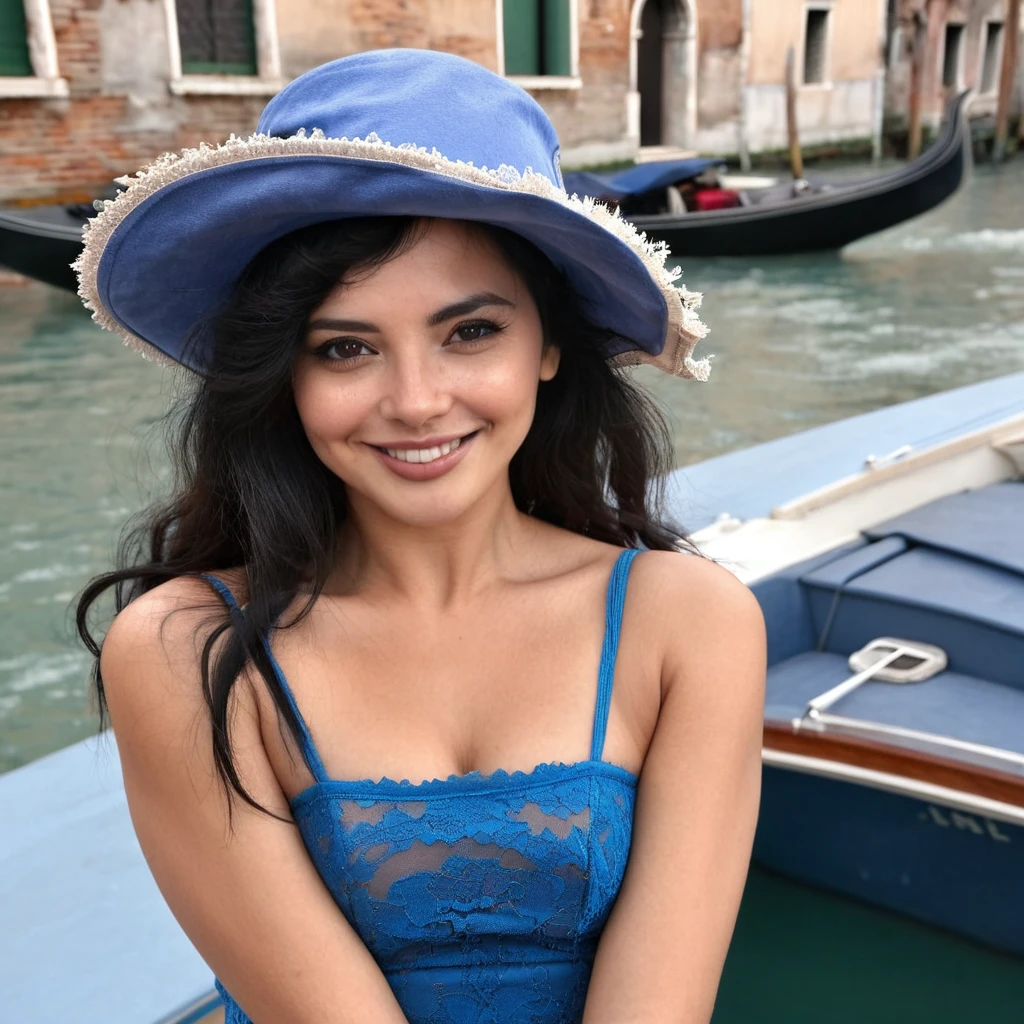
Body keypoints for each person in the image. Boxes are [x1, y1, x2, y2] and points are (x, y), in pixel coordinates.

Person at [73, 48, 765, 1024]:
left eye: (470, 331)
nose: (415, 401)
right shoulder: (185, 649)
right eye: (344, 347)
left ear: (549, 344)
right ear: (285, 376)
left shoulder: (690, 622)